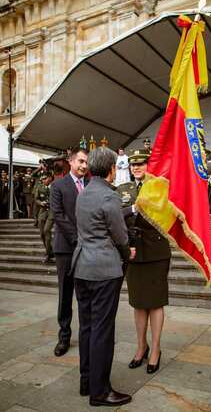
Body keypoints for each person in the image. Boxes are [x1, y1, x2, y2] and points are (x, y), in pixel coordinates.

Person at [72, 147, 133, 407]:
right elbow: (120, 235)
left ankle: (87, 381)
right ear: (111, 170)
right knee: (102, 330)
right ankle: (100, 391)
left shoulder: (84, 193)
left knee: (87, 326)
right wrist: (126, 252)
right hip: (103, 269)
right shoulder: (110, 197)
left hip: (81, 266)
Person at [117, 149, 171, 374]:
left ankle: (156, 348)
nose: (137, 167)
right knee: (138, 303)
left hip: (157, 250)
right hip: (134, 251)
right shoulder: (123, 190)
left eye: (141, 163)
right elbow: (114, 213)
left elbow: (172, 211)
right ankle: (141, 346)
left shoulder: (160, 186)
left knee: (156, 302)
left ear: (150, 164)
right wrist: (132, 208)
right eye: (133, 165)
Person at [50, 147, 88, 357]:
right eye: (80, 161)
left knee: (85, 294)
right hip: (66, 249)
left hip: (87, 250)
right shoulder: (58, 185)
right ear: (71, 162)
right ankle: (64, 336)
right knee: (65, 295)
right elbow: (58, 214)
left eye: (86, 162)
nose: (84, 166)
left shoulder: (91, 184)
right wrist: (77, 238)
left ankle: (86, 335)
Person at [35, 172, 54, 263]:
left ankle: (47, 254)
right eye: (42, 179)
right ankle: (50, 250)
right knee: (42, 233)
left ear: (50, 178)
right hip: (42, 211)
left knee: (47, 230)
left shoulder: (54, 186)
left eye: (45, 178)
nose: (43, 180)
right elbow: (36, 198)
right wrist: (40, 203)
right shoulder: (39, 187)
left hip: (51, 211)